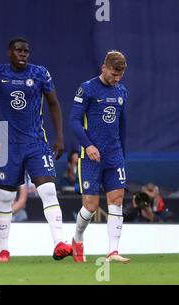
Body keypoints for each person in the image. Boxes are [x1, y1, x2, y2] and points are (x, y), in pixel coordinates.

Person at [0, 37, 72, 262]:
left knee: (48, 190)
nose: (23, 54)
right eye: (18, 50)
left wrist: (60, 137)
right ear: (9, 53)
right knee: (6, 197)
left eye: (26, 51)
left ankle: (59, 243)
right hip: (9, 144)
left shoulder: (40, 73)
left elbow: (54, 103)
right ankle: (4, 249)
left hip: (37, 142)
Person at [70, 50, 130, 263]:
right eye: (114, 74)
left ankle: (113, 251)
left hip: (114, 156)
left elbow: (122, 125)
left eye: (120, 76)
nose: (116, 79)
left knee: (117, 200)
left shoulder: (121, 91)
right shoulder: (87, 89)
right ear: (103, 68)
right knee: (91, 206)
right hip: (91, 157)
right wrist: (88, 145)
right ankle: (77, 239)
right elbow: (74, 121)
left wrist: (123, 152)